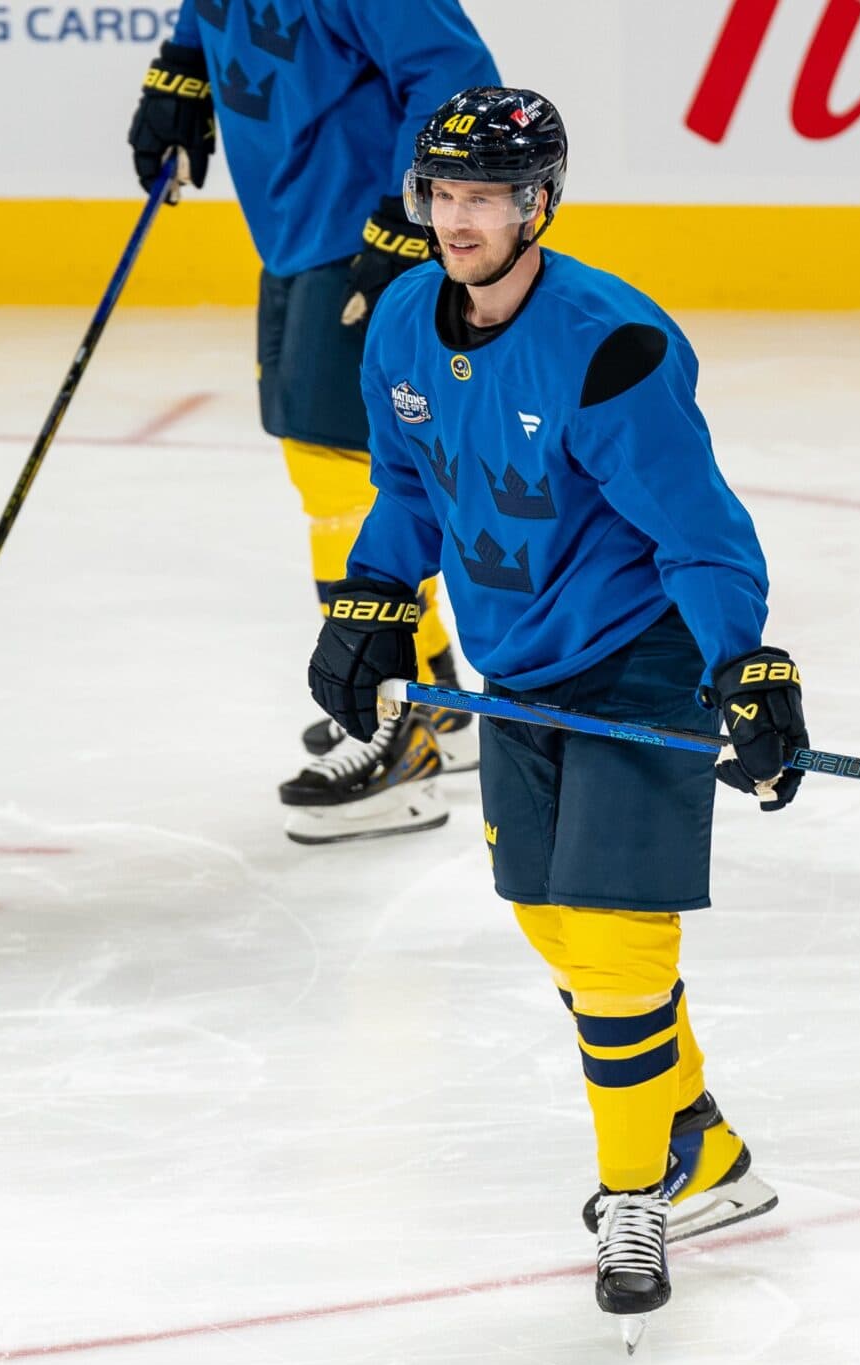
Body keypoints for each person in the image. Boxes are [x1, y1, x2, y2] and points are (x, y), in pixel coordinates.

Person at [307, 88, 808, 1345]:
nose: (458, 219)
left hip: (637, 659)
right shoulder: (404, 331)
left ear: (538, 204)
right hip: (513, 658)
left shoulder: (609, 347)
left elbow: (701, 536)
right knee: (547, 920)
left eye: (484, 197)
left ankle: (636, 1193)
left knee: (618, 939)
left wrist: (743, 669)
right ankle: (700, 1144)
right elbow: (409, 485)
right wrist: (373, 595)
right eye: (443, 195)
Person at [126, 0, 498, 844]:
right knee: (319, 461)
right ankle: (433, 693)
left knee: (345, 474)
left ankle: (392, 729)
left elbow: (454, 71)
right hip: (293, 226)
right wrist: (181, 72)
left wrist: (416, 209)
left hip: (363, 232)